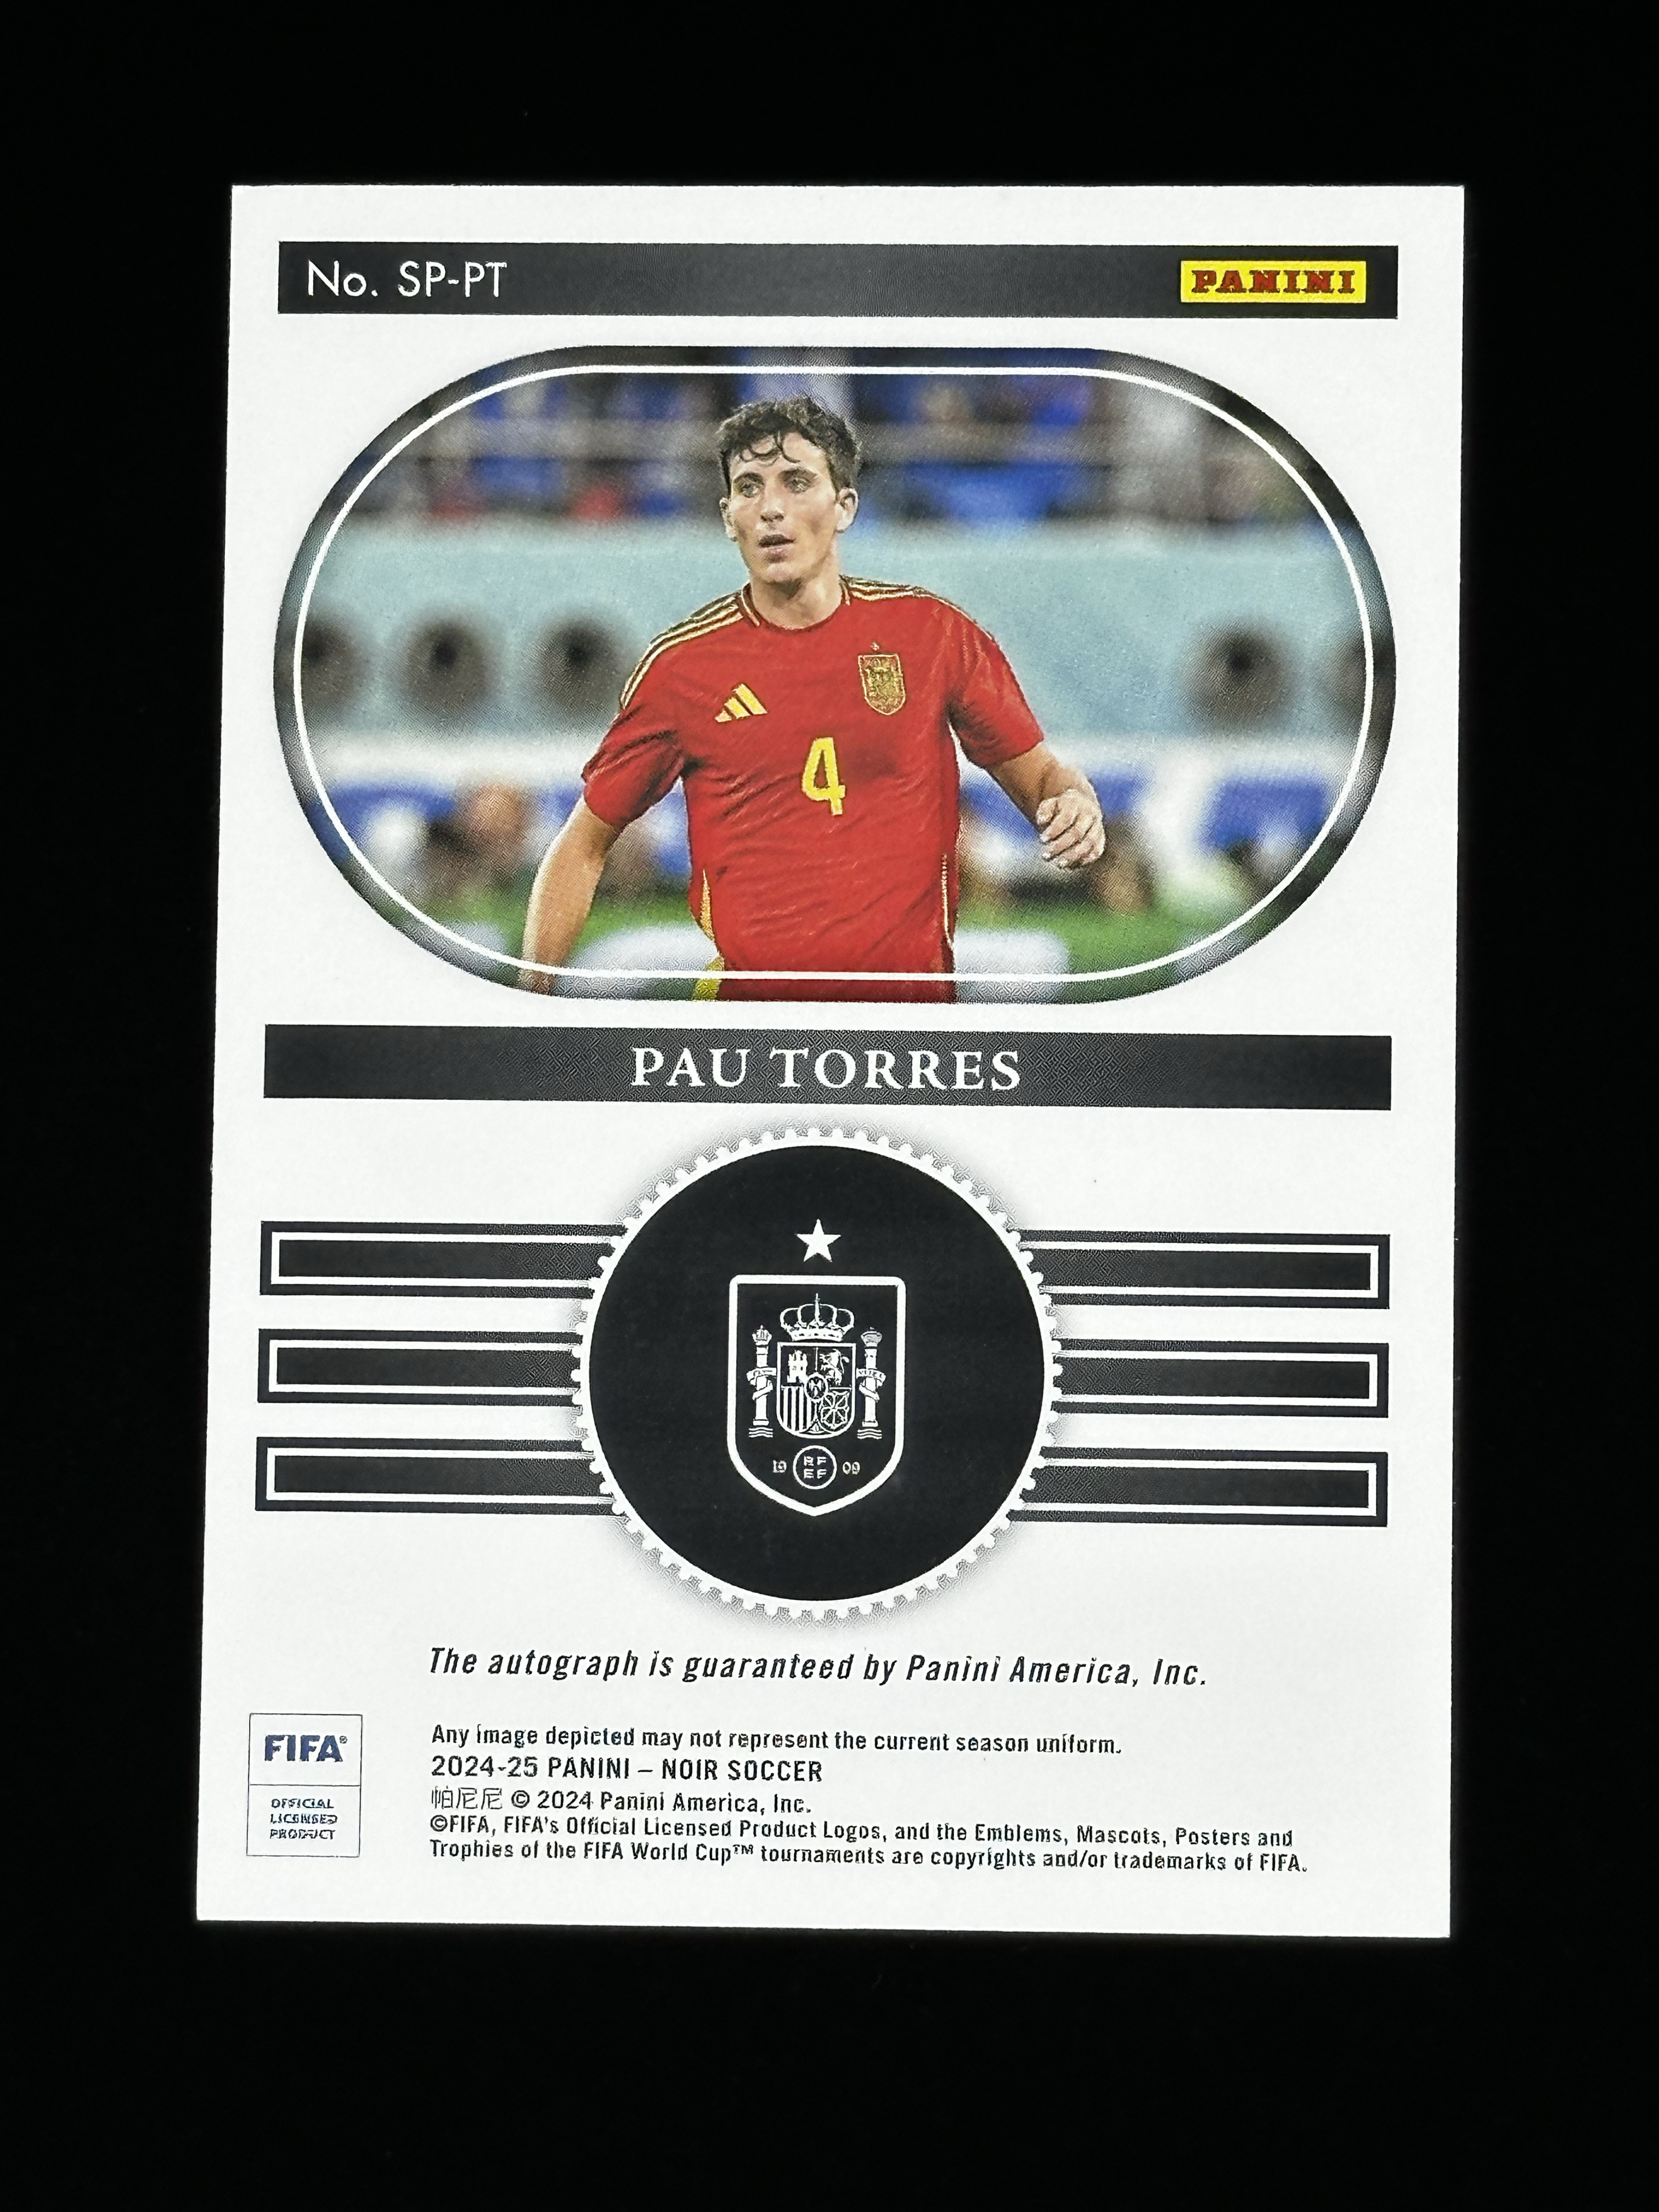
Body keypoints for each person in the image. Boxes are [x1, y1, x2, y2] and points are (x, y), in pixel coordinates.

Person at [520, 394, 1104, 1001]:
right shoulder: (681, 669)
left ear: (844, 505)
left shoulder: (934, 635)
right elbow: (582, 845)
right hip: (751, 1034)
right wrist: (528, 1003)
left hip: (909, 1034)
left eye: (796, 482)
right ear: (728, 517)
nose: (771, 508)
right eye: (749, 488)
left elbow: (1043, 778)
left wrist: (1073, 803)